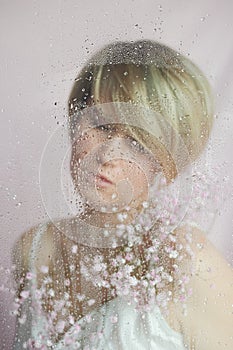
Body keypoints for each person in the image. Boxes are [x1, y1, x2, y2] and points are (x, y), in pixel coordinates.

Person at [12, 40, 233, 349]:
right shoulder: (34, 249)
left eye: (139, 143)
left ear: (168, 164)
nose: (108, 155)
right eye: (101, 124)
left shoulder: (187, 264)